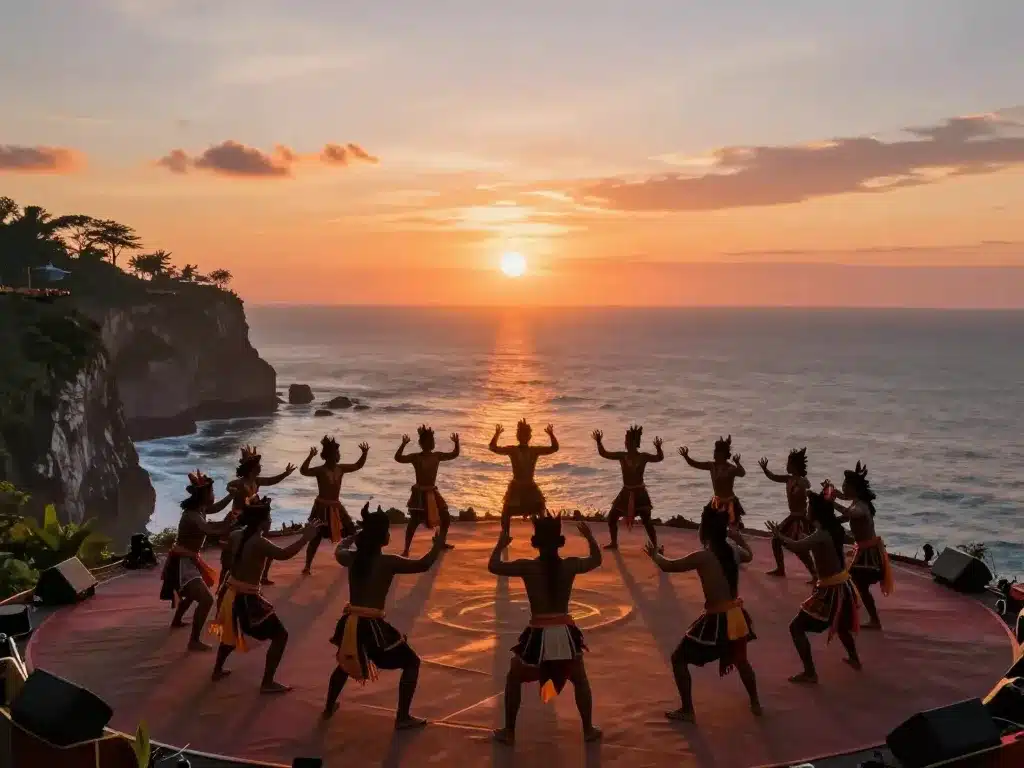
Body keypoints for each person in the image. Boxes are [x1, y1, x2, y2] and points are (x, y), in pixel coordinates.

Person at [324, 504, 446, 729]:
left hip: (350, 624)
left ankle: (328, 707)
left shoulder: (352, 559)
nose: (390, 535)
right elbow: (424, 564)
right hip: (372, 627)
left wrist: (348, 538)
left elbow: (338, 550)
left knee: (345, 662)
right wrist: (437, 546)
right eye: (388, 531)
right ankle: (402, 717)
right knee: (412, 662)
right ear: (382, 538)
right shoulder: (388, 562)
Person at [487, 515, 603, 746]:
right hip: (564, 633)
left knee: (514, 678)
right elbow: (596, 560)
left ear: (534, 542)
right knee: (579, 680)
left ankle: (509, 731)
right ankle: (588, 729)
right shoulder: (570, 565)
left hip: (538, 634)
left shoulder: (527, 567)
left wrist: (500, 546)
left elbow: (494, 566)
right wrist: (590, 538)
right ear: (560, 542)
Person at [644, 504, 761, 722]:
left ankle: (688, 710)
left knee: (678, 659)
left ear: (704, 531)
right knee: (741, 660)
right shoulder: (733, 551)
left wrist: (655, 556)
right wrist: (738, 538)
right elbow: (750, 555)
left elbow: (669, 566)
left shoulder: (704, 557)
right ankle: (755, 702)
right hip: (736, 616)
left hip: (717, 620)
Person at [210, 496, 318, 692]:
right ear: (261, 522)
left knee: (231, 632)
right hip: (247, 598)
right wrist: (305, 538)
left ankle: (217, 670)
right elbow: (284, 554)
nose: (270, 522)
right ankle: (267, 683)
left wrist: (299, 531)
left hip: (230, 593)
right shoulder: (259, 542)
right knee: (280, 635)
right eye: (269, 519)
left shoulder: (237, 535)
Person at [768, 489, 862, 684]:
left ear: (815, 513)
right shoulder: (834, 529)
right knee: (842, 626)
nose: (807, 510)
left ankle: (810, 673)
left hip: (831, 591)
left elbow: (797, 546)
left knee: (796, 627)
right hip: (844, 586)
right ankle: (854, 658)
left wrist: (779, 535)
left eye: (810, 507)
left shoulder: (821, 534)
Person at [160, 471, 236, 651]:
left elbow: (216, 508)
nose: (213, 495)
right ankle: (193, 641)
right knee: (206, 599)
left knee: (193, 593)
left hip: (189, 559)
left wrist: (231, 496)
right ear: (204, 496)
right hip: (183, 562)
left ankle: (177, 620)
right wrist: (229, 523)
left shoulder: (199, 509)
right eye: (211, 492)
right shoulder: (193, 516)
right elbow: (211, 530)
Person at [833, 462, 893, 629]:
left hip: (868, 552)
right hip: (863, 550)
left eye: (846, 485)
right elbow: (846, 516)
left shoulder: (861, 506)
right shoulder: (856, 502)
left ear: (854, 488)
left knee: (854, 583)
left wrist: (832, 502)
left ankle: (869, 619)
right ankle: (866, 617)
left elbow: (850, 514)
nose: (843, 487)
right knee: (857, 585)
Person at [226, 445, 297, 586]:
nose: (260, 467)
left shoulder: (256, 481)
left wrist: (285, 474)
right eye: (258, 465)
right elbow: (228, 485)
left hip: (253, 519)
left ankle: (263, 576)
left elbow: (272, 480)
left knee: (265, 546)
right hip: (239, 520)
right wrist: (231, 490)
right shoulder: (239, 483)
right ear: (252, 468)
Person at [298, 436, 368, 574]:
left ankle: (359, 559)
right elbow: (303, 471)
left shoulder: (340, 468)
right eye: (336, 453)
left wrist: (364, 453)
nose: (338, 455)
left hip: (336, 506)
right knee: (316, 537)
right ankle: (307, 566)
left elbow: (358, 465)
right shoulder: (320, 470)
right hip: (321, 507)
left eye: (338, 453)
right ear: (328, 456)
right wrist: (310, 456)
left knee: (352, 530)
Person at [489, 420, 558, 541]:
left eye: (525, 435)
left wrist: (551, 434)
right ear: (518, 436)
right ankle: (505, 536)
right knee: (506, 512)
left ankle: (542, 536)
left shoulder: (534, 450)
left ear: (529, 436)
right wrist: (497, 434)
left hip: (530, 487)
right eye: (521, 434)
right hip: (516, 488)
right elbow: (493, 448)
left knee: (541, 509)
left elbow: (554, 448)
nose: (523, 437)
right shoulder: (513, 450)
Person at [396, 426, 459, 556]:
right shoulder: (416, 457)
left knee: (445, 517)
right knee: (414, 522)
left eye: (432, 440)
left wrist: (456, 443)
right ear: (421, 443)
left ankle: (440, 542)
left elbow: (454, 454)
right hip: (419, 494)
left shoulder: (437, 456)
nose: (431, 443)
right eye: (427, 441)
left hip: (432, 492)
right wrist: (403, 444)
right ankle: (406, 549)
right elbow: (398, 458)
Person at [759, 449, 816, 581]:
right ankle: (780, 569)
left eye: (789, 463)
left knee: (800, 548)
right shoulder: (788, 479)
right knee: (776, 540)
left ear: (795, 466)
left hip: (800, 519)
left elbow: (808, 487)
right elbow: (773, 477)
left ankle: (815, 574)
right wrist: (765, 470)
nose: (787, 466)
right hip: (792, 517)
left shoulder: (802, 481)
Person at [679, 436, 747, 529]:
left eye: (716, 452)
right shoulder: (711, 466)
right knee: (708, 526)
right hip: (716, 502)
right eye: (714, 452)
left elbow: (742, 473)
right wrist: (686, 457)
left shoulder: (730, 468)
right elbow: (696, 464)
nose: (714, 454)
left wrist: (737, 463)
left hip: (729, 502)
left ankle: (738, 541)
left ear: (723, 455)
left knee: (732, 531)